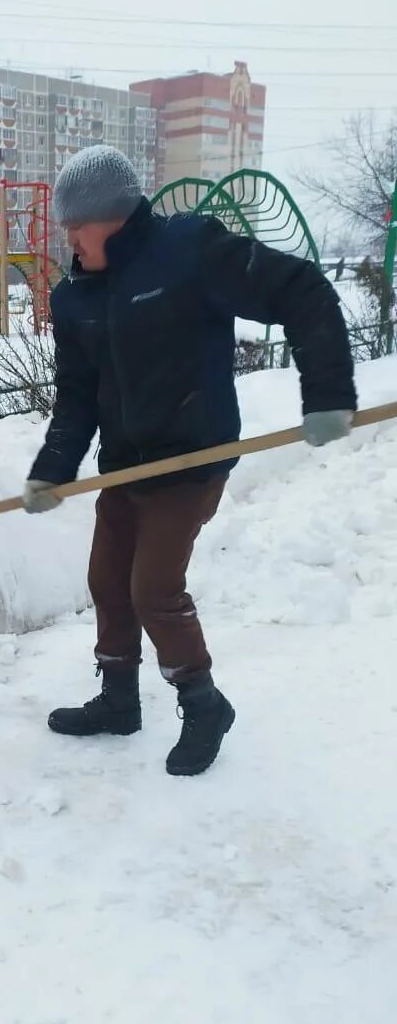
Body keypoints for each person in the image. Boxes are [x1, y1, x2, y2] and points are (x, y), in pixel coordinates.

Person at [23, 146, 356, 776]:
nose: (67, 240)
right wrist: (53, 467)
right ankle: (119, 701)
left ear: (111, 216)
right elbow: (76, 395)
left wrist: (330, 394)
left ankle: (203, 704)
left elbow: (301, 289)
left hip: (193, 458)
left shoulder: (190, 251)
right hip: (125, 463)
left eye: (74, 226)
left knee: (154, 589)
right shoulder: (75, 297)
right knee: (107, 581)